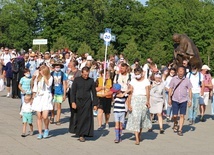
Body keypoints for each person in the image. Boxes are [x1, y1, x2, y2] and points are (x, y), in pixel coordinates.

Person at [70, 66, 98, 142]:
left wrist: (95, 104)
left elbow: (94, 93)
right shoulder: (77, 80)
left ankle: (82, 134)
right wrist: (73, 102)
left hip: (87, 101)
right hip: (78, 101)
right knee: (78, 117)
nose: (86, 76)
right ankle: (78, 132)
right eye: (84, 74)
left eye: (87, 74)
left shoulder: (91, 81)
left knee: (85, 118)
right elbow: (73, 92)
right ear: (81, 73)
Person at [126, 67, 152, 145]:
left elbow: (147, 91)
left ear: (141, 73)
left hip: (143, 99)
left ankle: (139, 134)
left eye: (138, 74)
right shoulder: (133, 81)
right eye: (136, 74)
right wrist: (129, 104)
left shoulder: (146, 81)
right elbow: (130, 93)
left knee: (141, 119)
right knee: (136, 118)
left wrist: (148, 101)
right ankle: (136, 138)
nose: (137, 76)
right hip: (135, 99)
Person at [168, 66, 192, 136]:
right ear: (177, 72)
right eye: (179, 71)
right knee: (175, 116)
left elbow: (190, 90)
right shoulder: (173, 79)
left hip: (184, 100)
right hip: (175, 99)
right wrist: (169, 98)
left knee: (182, 115)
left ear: (184, 72)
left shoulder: (187, 80)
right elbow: (170, 88)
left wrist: (190, 100)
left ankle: (180, 129)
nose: (181, 73)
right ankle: (175, 123)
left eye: (182, 71)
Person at [31, 65, 53, 139]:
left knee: (45, 116)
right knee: (39, 116)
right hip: (38, 97)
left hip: (46, 97)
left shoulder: (50, 77)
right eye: (40, 70)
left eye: (41, 70)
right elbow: (35, 88)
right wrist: (32, 97)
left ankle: (46, 128)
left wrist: (44, 76)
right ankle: (40, 133)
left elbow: (48, 85)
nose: (40, 71)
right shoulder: (38, 78)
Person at [50, 60, 67, 125]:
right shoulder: (51, 74)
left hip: (60, 92)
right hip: (53, 92)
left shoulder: (62, 74)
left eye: (58, 66)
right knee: (52, 106)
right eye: (56, 66)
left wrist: (64, 94)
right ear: (54, 67)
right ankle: (52, 116)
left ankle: (58, 119)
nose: (57, 67)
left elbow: (64, 84)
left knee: (59, 106)